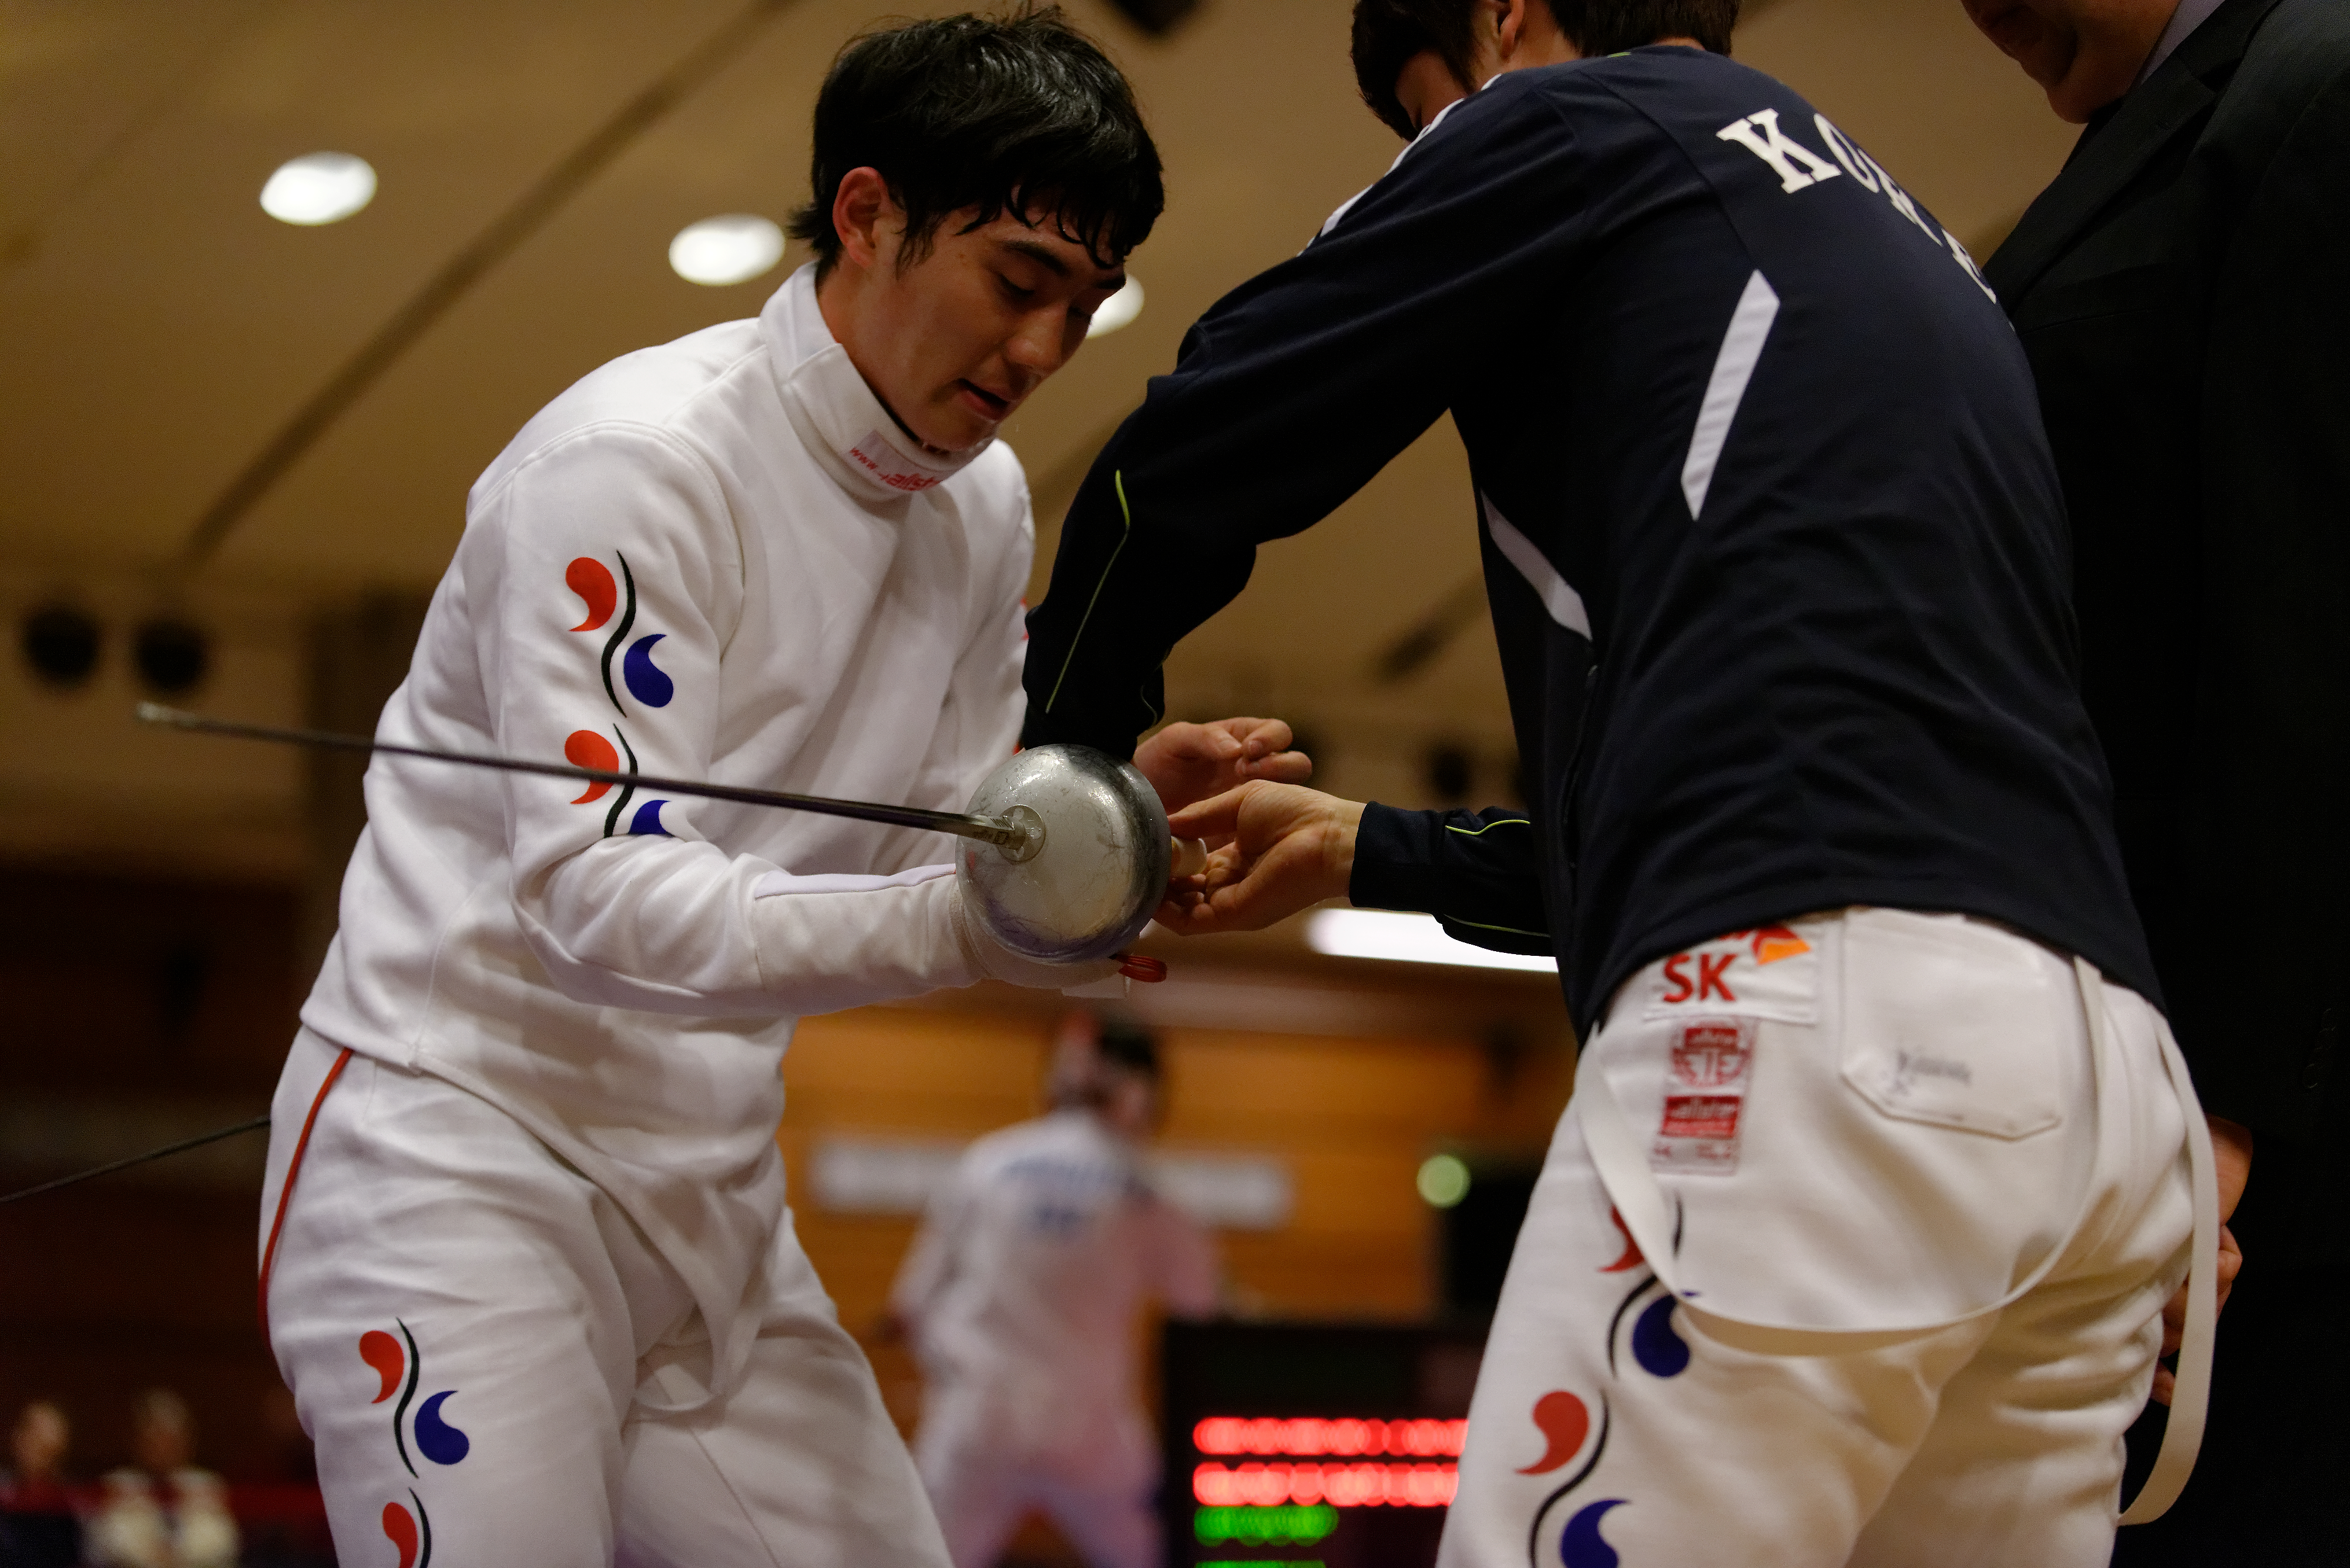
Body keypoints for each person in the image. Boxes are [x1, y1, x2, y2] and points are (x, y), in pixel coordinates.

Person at [1018, 0, 2220, 1561]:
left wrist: (1075, 775)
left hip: (1827, 1050)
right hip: (2102, 1095)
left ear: (1510, 20)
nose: (1430, 157)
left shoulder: (1573, 119)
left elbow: (1191, 451)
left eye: (1423, 113)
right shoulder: (1912, 242)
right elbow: (1831, 798)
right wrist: (1372, 847)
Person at [253, 9, 1305, 1567]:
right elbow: (596, 897)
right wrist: (984, 912)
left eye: (1081, 310)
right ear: (869, 214)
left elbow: (954, 822)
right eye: (1017, 282)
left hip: (710, 1194)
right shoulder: (630, 467)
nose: (1039, 353)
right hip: (454, 1159)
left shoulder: (982, 506)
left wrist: (1096, 818)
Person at [1959, 0, 2350, 1557]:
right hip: (2122, 1068)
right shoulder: (2172, 122)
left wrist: (2226, 1106)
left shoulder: (2316, 82)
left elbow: (2307, 634)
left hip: (2258, 1126)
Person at [891, 1013, 1217, 1568]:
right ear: (1141, 1091)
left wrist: (951, 1368)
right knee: (1159, 1556)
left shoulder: (986, 1163)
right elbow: (1204, 1309)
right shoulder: (1152, 1189)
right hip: (1092, 1428)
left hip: (979, 1417)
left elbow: (913, 1305)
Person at [85, 1391, 239, 1568]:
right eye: (155, 1437)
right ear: (138, 1442)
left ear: (187, 1443)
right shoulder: (118, 1485)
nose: (162, 1447)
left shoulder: (207, 1485)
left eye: (170, 1438)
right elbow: (110, 1542)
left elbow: (222, 1542)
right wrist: (155, 1558)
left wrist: (178, 1559)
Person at [0, 1401, 80, 1568]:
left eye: (42, 1443)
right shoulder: (5, 1491)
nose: (30, 1445)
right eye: (28, 1432)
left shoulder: (72, 1506)